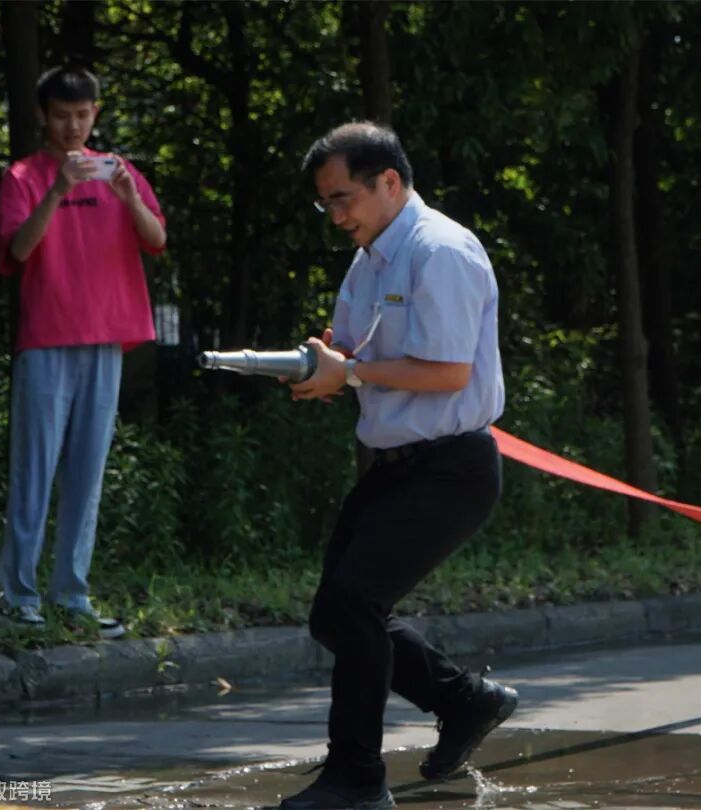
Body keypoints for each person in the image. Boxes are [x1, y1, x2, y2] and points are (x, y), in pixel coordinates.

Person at [280, 122, 517, 810]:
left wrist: (350, 372)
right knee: (335, 614)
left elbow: (447, 372)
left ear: (389, 181)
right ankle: (465, 700)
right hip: (396, 465)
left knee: (356, 603)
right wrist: (321, 366)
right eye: (325, 202)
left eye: (343, 198)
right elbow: (357, 357)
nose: (336, 215)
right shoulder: (369, 261)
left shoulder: (439, 251)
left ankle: (356, 779)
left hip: (452, 469)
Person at [0, 65, 167, 639]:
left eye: (82, 114)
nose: (73, 125)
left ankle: (71, 594)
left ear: (95, 113)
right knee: (34, 470)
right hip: (46, 336)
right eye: (62, 115)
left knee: (87, 474)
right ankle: (18, 597)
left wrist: (128, 196)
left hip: (106, 336)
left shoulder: (119, 171)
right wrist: (58, 190)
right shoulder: (23, 176)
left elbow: (157, 239)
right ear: (42, 115)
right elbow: (19, 248)